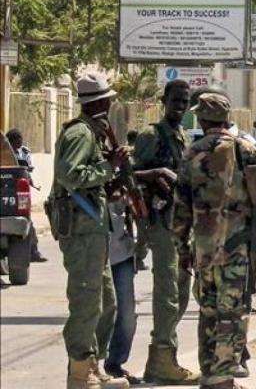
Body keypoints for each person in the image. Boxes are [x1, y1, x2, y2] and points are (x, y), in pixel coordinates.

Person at [174, 92, 256, 389]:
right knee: (231, 312)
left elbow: (180, 209)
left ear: (202, 119)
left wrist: (182, 249)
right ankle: (223, 378)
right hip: (236, 247)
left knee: (208, 311)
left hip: (203, 248)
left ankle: (209, 372)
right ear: (227, 119)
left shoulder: (191, 153)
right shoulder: (243, 149)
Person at [48, 73, 130, 389]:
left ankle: (93, 365)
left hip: (94, 229)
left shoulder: (92, 133)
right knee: (86, 302)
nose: (110, 104)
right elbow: (70, 175)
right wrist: (110, 167)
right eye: (107, 99)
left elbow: (88, 179)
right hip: (81, 231)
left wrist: (111, 178)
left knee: (106, 303)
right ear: (99, 103)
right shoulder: (80, 133)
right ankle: (80, 374)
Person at [131, 79, 200, 384]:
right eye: (176, 101)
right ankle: (161, 357)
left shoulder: (181, 136)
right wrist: (157, 173)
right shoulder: (151, 135)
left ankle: (165, 354)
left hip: (181, 223)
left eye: (185, 102)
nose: (180, 107)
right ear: (164, 101)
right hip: (160, 222)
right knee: (167, 291)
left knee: (182, 290)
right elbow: (131, 174)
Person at [104, 196, 141, 384]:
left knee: (126, 315)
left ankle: (114, 364)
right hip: (91, 251)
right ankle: (86, 366)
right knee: (94, 313)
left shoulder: (124, 179)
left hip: (121, 251)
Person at [5, 128, 47, 262]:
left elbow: (25, 170)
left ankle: (33, 252)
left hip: (16, 193)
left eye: (20, 141)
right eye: (16, 141)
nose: (19, 144)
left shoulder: (23, 152)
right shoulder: (4, 152)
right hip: (6, 191)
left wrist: (29, 177)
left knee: (27, 221)